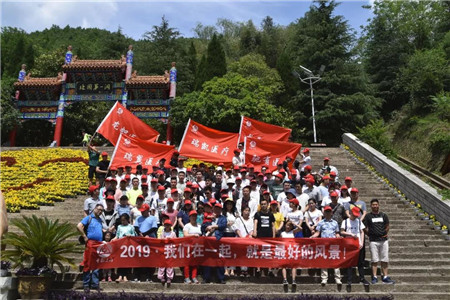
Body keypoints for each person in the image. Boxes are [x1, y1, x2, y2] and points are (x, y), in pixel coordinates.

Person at [364, 199, 394, 284]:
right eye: (373, 205)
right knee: (374, 260)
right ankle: (374, 276)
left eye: (376, 204)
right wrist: (369, 234)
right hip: (373, 241)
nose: (375, 206)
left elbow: (387, 225)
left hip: (383, 240)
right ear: (371, 206)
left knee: (385, 259)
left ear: (378, 205)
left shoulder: (383, 215)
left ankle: (385, 276)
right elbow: (363, 227)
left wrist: (384, 233)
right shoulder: (368, 216)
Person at [311, 206, 342, 286]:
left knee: (335, 262)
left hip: (333, 245)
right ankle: (324, 278)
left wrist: (338, 236)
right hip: (324, 245)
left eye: (329, 212)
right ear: (324, 213)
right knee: (324, 262)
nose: (328, 213)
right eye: (326, 212)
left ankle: (337, 278)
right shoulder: (321, 222)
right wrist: (312, 237)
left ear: (331, 213)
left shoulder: (335, 223)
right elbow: (317, 233)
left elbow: (337, 233)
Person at [341, 206, 370, 291]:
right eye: (354, 214)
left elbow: (362, 232)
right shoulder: (345, 221)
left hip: (358, 243)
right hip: (349, 244)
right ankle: (349, 279)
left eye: (357, 215)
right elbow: (342, 231)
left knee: (360, 262)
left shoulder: (358, 221)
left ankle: (362, 278)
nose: (355, 216)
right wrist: (350, 234)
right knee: (350, 263)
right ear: (350, 213)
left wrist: (361, 242)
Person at [77, 204, 104, 293]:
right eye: (99, 209)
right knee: (88, 263)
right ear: (95, 209)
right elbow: (79, 226)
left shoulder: (100, 220)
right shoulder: (89, 218)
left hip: (98, 244)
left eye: (102, 210)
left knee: (97, 264)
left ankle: (95, 284)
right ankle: (86, 284)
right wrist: (84, 236)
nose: (100, 211)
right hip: (90, 243)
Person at [202, 203, 227, 284]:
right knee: (207, 260)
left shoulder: (223, 218)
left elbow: (223, 225)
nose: (217, 210)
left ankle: (221, 278)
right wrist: (207, 228)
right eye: (216, 208)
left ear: (221, 210)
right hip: (208, 241)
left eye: (219, 209)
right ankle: (206, 278)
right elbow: (202, 226)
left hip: (218, 241)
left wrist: (213, 227)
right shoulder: (209, 217)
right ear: (213, 209)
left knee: (219, 259)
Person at [114, 213, 136, 282]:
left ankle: (125, 276)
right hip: (121, 246)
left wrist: (130, 235)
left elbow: (134, 235)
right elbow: (117, 235)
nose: (123, 222)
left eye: (124, 220)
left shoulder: (131, 227)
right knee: (120, 261)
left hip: (128, 246)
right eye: (122, 220)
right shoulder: (119, 227)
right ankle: (120, 275)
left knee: (127, 261)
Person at [281, 221, 302, 287]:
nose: (288, 227)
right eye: (287, 225)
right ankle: (285, 279)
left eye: (289, 226)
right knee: (283, 265)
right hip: (284, 250)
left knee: (293, 265)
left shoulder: (292, 232)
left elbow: (300, 228)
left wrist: (294, 223)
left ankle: (293, 280)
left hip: (292, 250)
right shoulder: (282, 233)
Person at [183, 210, 202, 284]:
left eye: (195, 216)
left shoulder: (199, 226)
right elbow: (185, 235)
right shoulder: (187, 225)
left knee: (195, 263)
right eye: (192, 216)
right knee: (187, 262)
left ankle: (194, 277)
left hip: (197, 247)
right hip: (188, 246)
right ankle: (187, 277)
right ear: (189, 217)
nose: (194, 217)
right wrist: (194, 235)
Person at [234, 206, 254, 277]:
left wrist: (249, 236)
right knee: (241, 255)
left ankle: (247, 270)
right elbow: (237, 229)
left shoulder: (251, 220)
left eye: (248, 210)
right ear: (242, 211)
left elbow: (252, 229)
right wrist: (241, 237)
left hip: (248, 240)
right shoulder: (239, 219)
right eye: (245, 210)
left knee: (248, 255)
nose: (247, 212)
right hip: (240, 239)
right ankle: (242, 270)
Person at [157, 219, 176, 286]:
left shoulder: (173, 233)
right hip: (163, 250)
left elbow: (176, 241)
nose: (167, 226)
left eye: (168, 225)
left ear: (171, 226)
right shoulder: (162, 233)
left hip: (170, 251)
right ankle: (161, 276)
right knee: (162, 264)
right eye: (166, 225)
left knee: (169, 265)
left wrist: (171, 240)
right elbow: (160, 241)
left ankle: (169, 277)